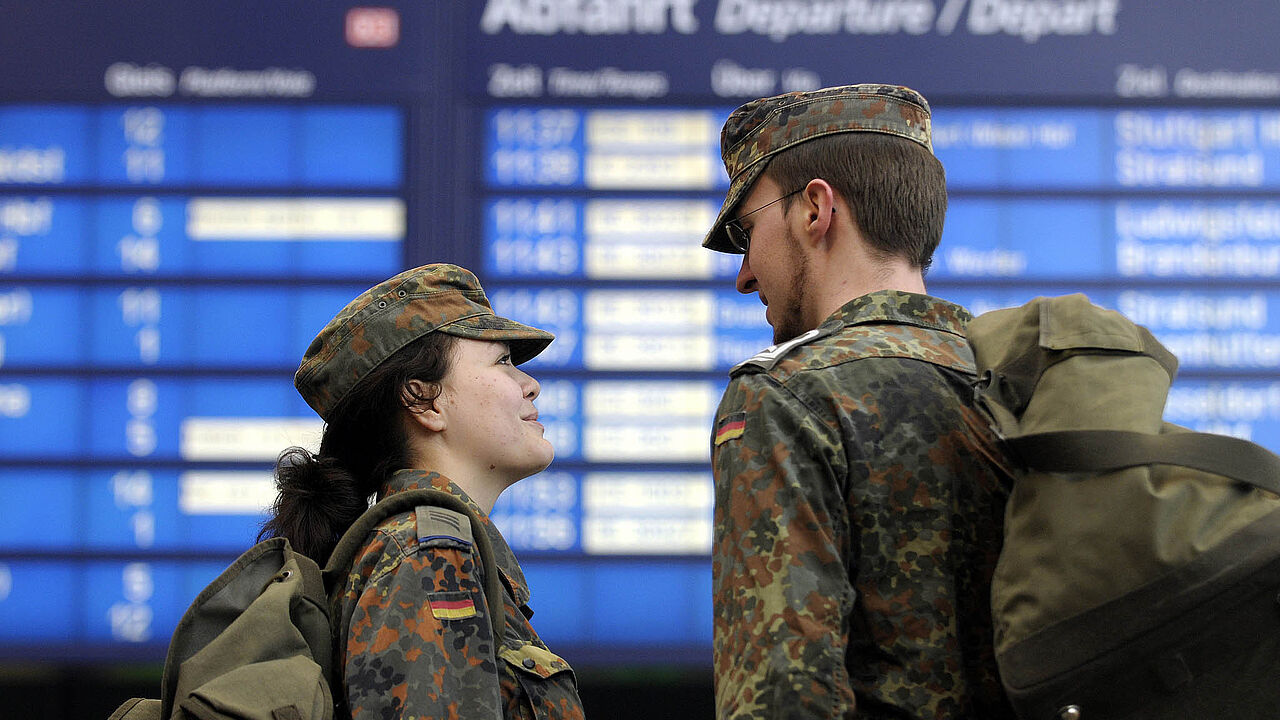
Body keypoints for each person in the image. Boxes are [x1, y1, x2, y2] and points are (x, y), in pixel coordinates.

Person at [703, 84, 1015, 719]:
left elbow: (783, 696)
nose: (744, 275)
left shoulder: (786, 395)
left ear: (816, 209)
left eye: (747, 230)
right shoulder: (1015, 381)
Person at [259, 263, 585, 720]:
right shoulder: (426, 554)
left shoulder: (425, 548)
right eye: (503, 362)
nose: (530, 385)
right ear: (423, 400)